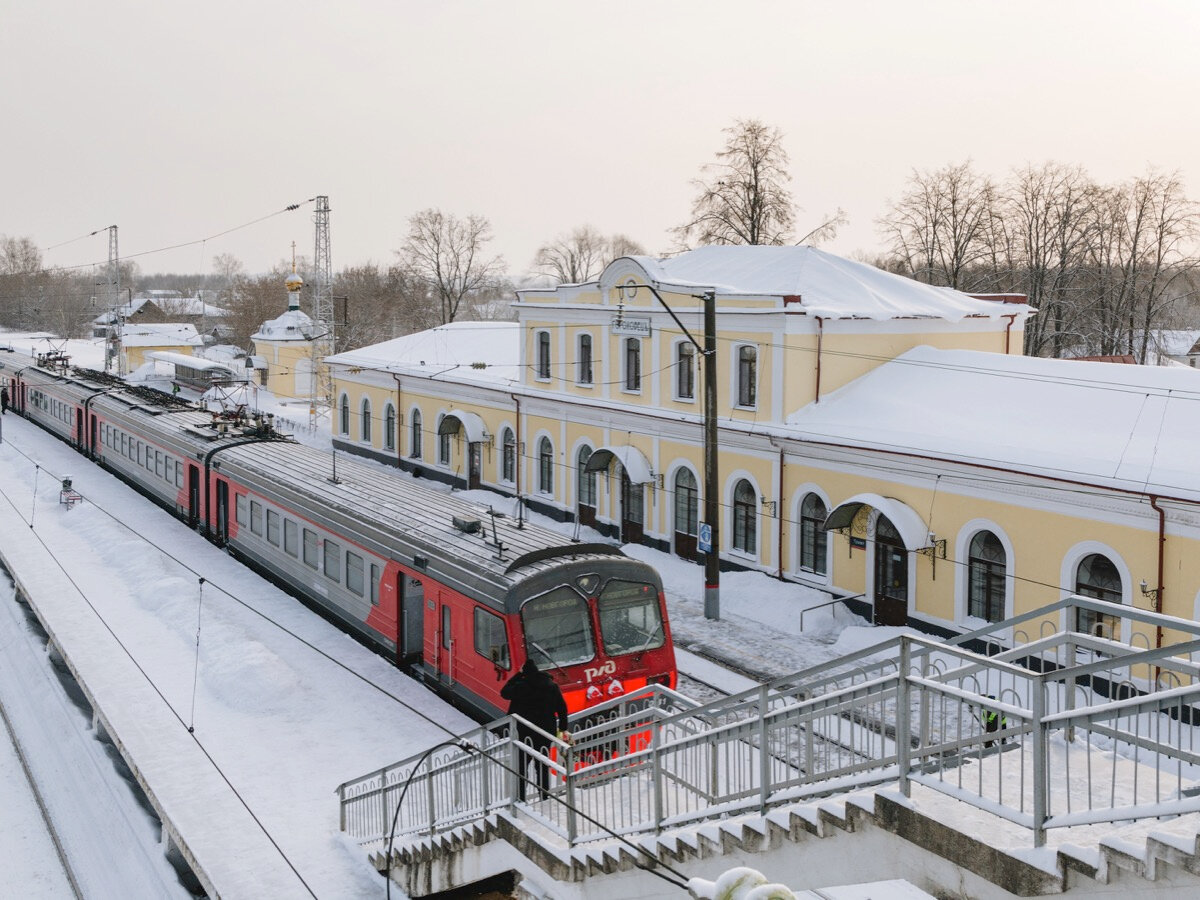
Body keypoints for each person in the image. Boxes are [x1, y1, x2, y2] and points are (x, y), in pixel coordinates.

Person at [501, 657, 569, 800]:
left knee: (522, 766)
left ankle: (521, 798)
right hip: (545, 732)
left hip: (524, 733)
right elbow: (562, 708)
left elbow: (504, 692)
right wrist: (563, 728)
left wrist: (518, 675)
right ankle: (544, 795)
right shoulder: (551, 686)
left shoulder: (521, 686)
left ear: (525, 673)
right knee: (543, 765)